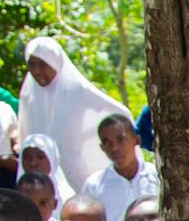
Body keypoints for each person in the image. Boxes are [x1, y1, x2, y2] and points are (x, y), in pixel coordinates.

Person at [16, 37, 133, 190]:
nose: (37, 71)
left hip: (74, 168)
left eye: (43, 64)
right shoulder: (28, 93)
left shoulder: (75, 89)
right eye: (32, 65)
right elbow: (25, 129)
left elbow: (114, 111)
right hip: (41, 171)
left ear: (55, 63)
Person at [81, 114, 160, 221]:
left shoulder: (157, 176)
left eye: (121, 139)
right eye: (107, 142)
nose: (115, 148)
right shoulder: (95, 185)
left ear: (137, 140)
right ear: (102, 148)